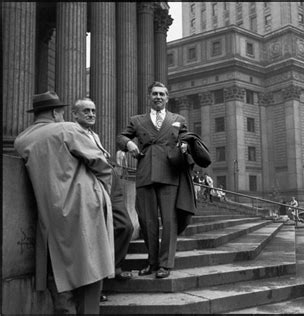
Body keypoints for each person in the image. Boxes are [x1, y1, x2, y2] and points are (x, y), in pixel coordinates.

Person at [14, 91, 114, 313]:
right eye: (60, 111)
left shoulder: (21, 140)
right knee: (92, 268)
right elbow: (100, 163)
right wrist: (104, 191)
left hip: (49, 212)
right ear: (54, 112)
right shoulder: (67, 128)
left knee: (59, 271)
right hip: (86, 204)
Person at [117, 81, 195, 279]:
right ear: (149, 97)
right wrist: (128, 144)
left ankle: (165, 265)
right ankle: (152, 263)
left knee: (169, 221)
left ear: (167, 98)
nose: (158, 97)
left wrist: (185, 146)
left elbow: (187, 138)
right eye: (154, 94)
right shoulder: (137, 120)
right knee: (147, 221)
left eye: (162, 94)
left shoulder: (178, 119)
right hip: (145, 173)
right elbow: (121, 137)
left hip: (170, 174)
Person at [72, 98, 134, 284]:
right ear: (75, 114)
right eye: (86, 111)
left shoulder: (94, 135)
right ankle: (98, 280)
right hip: (92, 186)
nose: (91, 114)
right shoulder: (72, 133)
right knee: (95, 234)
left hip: (110, 183)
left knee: (125, 226)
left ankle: (113, 266)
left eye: (93, 111)